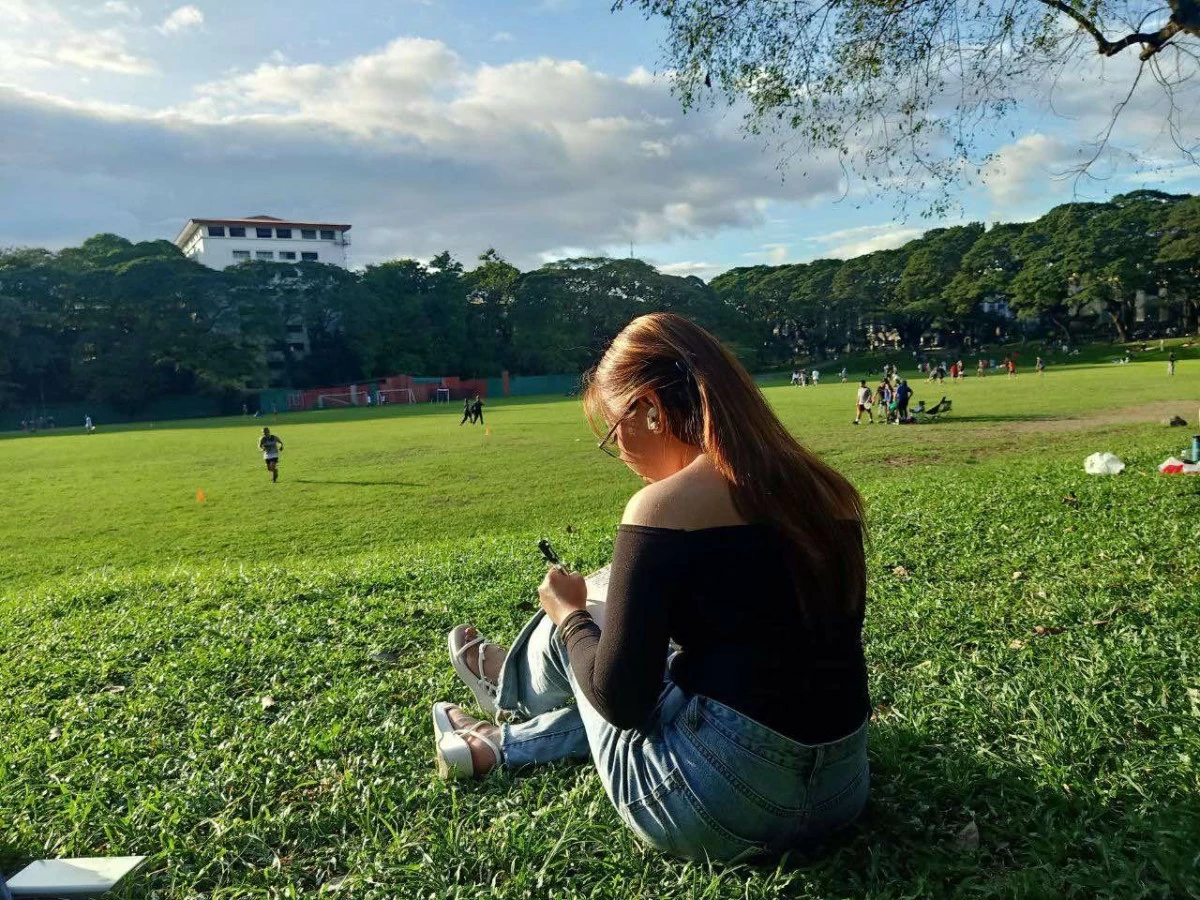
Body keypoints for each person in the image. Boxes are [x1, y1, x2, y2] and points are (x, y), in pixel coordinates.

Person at [432, 312, 870, 862]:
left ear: (650, 409)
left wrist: (569, 617)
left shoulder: (663, 507)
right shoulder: (826, 489)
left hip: (713, 806)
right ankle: (501, 743)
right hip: (842, 789)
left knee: (588, 607)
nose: (620, 453)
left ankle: (507, 685)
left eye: (613, 431)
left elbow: (622, 702)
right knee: (637, 643)